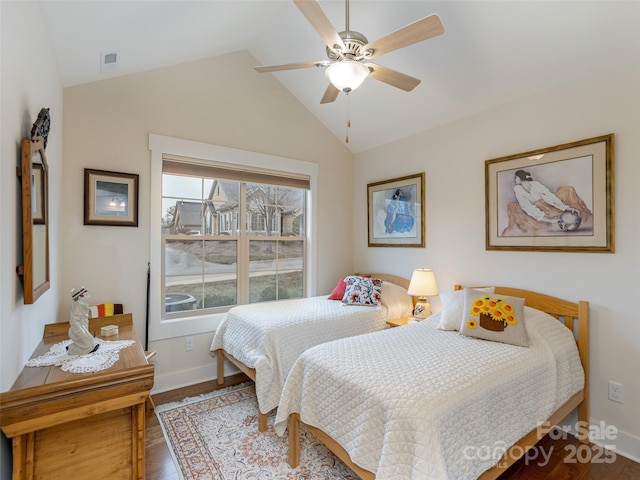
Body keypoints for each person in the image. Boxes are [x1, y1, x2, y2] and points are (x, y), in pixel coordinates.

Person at [513, 170, 580, 229]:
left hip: (549, 206)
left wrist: (565, 207)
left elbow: (549, 195)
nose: (515, 180)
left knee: (569, 216)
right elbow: (526, 206)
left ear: (520, 178)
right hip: (538, 212)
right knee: (558, 221)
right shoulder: (518, 189)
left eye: (516, 178)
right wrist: (548, 219)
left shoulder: (535, 184)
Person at [67, 287, 98, 355]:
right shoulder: (76, 308)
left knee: (88, 341)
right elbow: (74, 322)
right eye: (84, 293)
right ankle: (73, 349)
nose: (87, 294)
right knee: (87, 342)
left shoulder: (81, 305)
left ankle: (72, 347)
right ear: (78, 297)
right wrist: (80, 331)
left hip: (83, 328)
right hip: (78, 330)